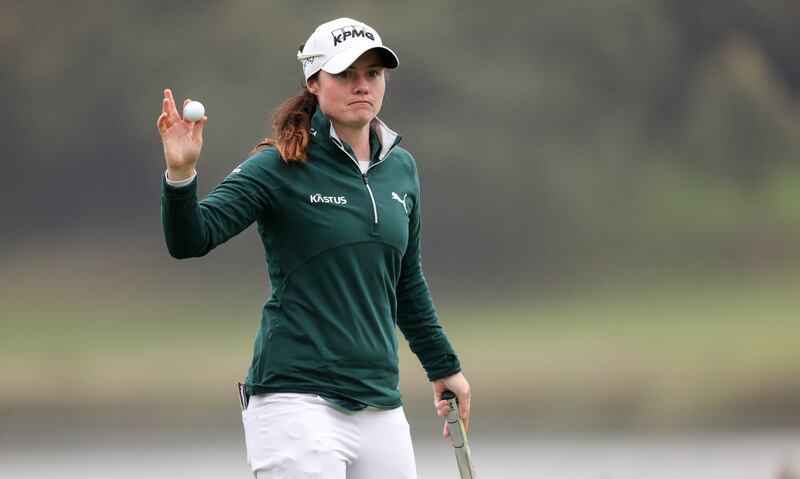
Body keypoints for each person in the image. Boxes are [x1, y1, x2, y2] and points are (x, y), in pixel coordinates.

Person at [156, 17, 470, 479]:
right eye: (345, 74)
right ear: (313, 82)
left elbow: (405, 280)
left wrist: (444, 367)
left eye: (373, 73)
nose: (362, 85)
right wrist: (181, 175)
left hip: (379, 403)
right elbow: (191, 239)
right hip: (294, 401)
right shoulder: (279, 165)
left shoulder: (401, 168)